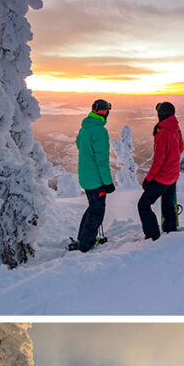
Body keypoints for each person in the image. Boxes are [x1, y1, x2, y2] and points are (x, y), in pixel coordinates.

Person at [69, 98, 116, 253]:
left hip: (85, 177)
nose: (108, 112)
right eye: (107, 109)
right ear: (103, 111)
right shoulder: (99, 130)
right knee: (97, 212)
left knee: (92, 208)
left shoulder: (85, 127)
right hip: (96, 180)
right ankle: (85, 245)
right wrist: (108, 182)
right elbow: (102, 159)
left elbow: (78, 143)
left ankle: (82, 239)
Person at [138, 101, 184, 240]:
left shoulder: (163, 133)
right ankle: (170, 232)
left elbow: (158, 160)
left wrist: (148, 179)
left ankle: (153, 236)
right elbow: (180, 149)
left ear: (160, 114)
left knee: (143, 205)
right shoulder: (176, 128)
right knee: (168, 204)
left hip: (163, 177)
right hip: (173, 175)